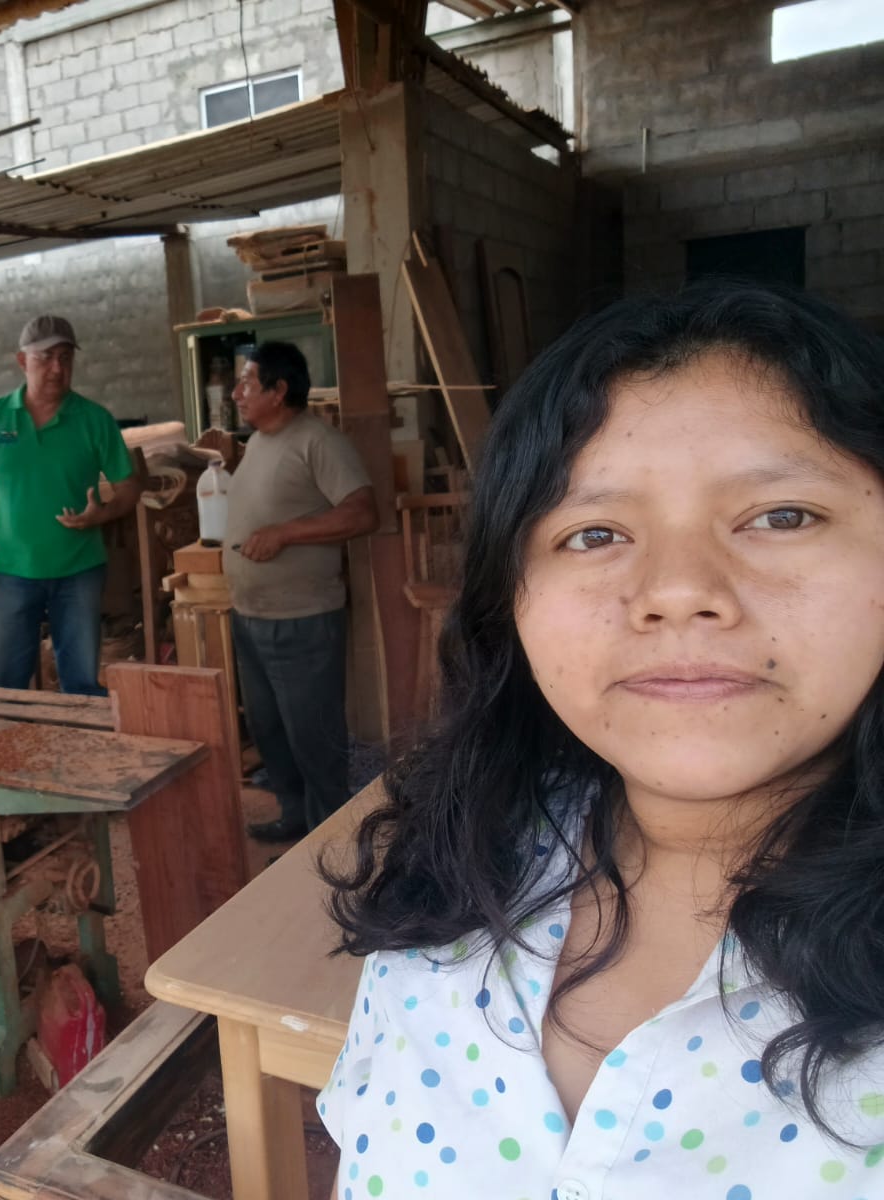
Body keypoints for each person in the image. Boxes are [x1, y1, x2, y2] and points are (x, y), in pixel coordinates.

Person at [320, 282, 884, 1196]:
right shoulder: (457, 872)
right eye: (594, 533)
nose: (678, 589)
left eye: (781, 516)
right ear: (511, 598)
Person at [222, 342, 378, 842]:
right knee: (270, 733)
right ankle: (295, 818)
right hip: (251, 616)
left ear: (278, 390)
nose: (236, 393)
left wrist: (285, 533)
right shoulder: (258, 442)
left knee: (314, 738)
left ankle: (331, 842)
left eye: (247, 383)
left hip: (301, 620)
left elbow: (362, 512)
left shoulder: (317, 441)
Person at [0, 315, 141, 696]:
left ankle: (76, 737)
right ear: (22, 361)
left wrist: (103, 513)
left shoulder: (95, 420)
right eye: (45, 357)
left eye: (65, 357)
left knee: (81, 686)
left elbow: (128, 488)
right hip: (11, 571)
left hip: (79, 572)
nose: (57, 368)